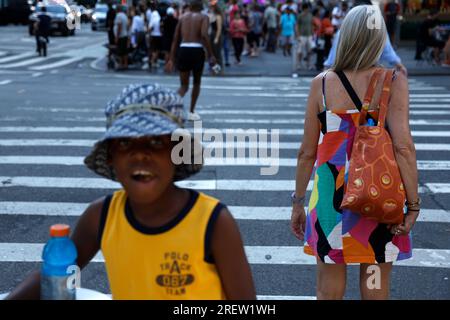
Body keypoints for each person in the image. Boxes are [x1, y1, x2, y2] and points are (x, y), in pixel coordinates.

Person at [5, 83, 256, 300]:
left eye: (156, 141)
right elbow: (54, 275)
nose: (140, 153)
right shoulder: (101, 216)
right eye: (125, 143)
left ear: (177, 153)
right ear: (111, 156)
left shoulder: (213, 222)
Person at [291, 5, 419, 300]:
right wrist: (412, 205)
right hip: (378, 194)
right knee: (375, 284)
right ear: (379, 39)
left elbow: (306, 154)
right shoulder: (393, 82)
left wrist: (297, 203)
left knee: (328, 288)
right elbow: (403, 147)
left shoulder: (321, 84)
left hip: (329, 198)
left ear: (345, 35)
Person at [166, 0, 216, 121]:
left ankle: (169, 107)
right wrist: (211, 54)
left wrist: (171, 59)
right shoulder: (203, 17)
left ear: (190, 7)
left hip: (183, 49)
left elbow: (175, 39)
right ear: (201, 7)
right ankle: (191, 111)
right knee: (196, 83)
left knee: (183, 85)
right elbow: (204, 35)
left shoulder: (182, 18)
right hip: (197, 50)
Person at [296, 3, 314, 70]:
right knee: (300, 51)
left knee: (309, 51)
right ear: (305, 8)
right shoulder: (300, 16)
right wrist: (298, 35)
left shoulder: (310, 15)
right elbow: (297, 25)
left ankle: (308, 64)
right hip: (302, 35)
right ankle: (298, 64)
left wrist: (312, 34)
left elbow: (311, 24)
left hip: (309, 35)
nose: (308, 9)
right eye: (307, 8)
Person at [209, 1, 224, 70]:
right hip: (211, 34)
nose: (210, 8)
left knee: (217, 52)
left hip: (216, 34)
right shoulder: (212, 15)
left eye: (211, 7)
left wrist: (217, 38)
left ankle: (219, 68)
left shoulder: (218, 16)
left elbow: (219, 28)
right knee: (213, 52)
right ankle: (214, 67)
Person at [114, 5, 129, 70]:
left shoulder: (119, 16)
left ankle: (120, 64)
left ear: (117, 9)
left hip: (121, 36)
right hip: (125, 35)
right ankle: (125, 64)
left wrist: (117, 37)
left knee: (120, 52)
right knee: (124, 51)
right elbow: (127, 25)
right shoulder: (124, 15)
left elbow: (119, 26)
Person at [148, 1, 163, 70]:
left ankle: (152, 61)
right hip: (159, 35)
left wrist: (148, 32)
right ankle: (154, 62)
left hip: (154, 35)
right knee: (157, 50)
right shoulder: (158, 16)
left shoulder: (153, 16)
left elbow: (151, 26)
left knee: (153, 49)